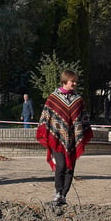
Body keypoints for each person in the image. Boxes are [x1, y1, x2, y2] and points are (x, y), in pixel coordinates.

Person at [35, 69, 92, 206]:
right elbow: (46, 117)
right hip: (57, 139)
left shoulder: (78, 99)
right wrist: (47, 131)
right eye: (73, 81)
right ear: (65, 81)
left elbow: (82, 118)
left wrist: (82, 133)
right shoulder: (53, 98)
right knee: (61, 165)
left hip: (72, 139)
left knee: (70, 167)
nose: (75, 83)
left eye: (76, 81)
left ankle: (64, 196)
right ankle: (57, 193)